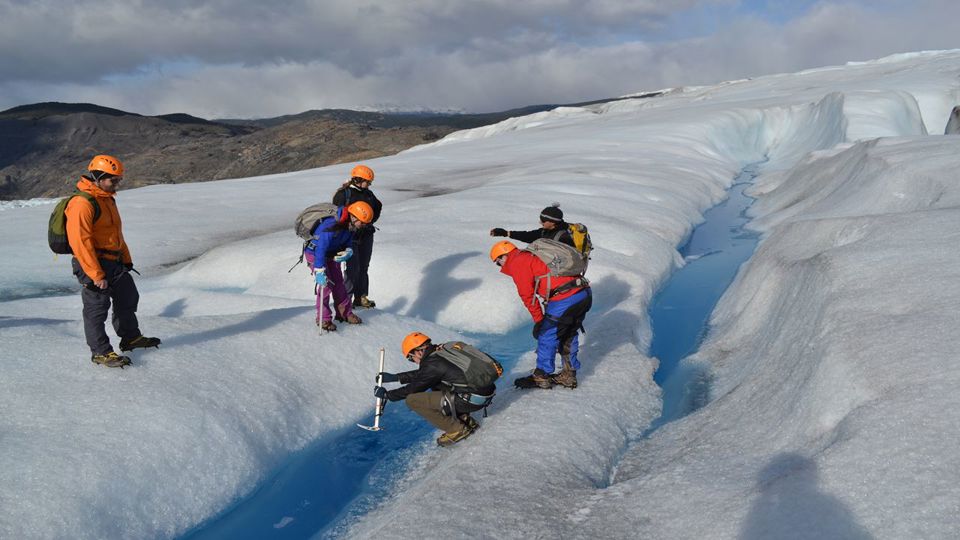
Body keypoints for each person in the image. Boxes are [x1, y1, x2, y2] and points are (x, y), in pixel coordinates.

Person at [66, 155, 160, 368]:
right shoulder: (82, 203)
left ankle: (130, 338)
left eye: (119, 180)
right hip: (93, 263)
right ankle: (100, 352)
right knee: (96, 308)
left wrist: (126, 259)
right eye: (113, 180)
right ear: (98, 177)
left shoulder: (106, 198)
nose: (117, 184)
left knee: (127, 298)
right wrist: (95, 274)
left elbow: (115, 234)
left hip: (114, 261)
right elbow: (80, 243)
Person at [490, 240, 591, 389]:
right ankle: (568, 374)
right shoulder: (531, 255)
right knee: (568, 332)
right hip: (583, 293)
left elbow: (528, 296)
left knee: (546, 335)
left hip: (564, 298)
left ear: (503, 256)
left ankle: (541, 376)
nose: (500, 265)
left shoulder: (518, 262)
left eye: (498, 262)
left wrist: (539, 321)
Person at [374, 332, 496, 447]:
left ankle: (457, 429)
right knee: (438, 384)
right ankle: (464, 419)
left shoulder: (433, 363)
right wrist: (396, 377)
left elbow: (413, 388)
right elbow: (426, 374)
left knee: (412, 400)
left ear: (417, 352)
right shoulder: (441, 352)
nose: (413, 361)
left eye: (411, 358)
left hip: (471, 400)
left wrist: (388, 395)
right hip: (484, 394)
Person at [304, 200, 374, 331]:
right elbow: (320, 248)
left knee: (339, 283)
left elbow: (347, 241)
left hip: (331, 255)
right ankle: (323, 319)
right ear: (354, 217)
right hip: (316, 255)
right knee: (326, 285)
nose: (363, 226)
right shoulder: (331, 224)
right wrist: (319, 270)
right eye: (362, 222)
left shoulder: (350, 227)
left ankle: (345, 313)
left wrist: (348, 250)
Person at [332, 164, 382, 309]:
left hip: (366, 234)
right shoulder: (344, 194)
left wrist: (369, 222)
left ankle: (361, 297)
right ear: (359, 179)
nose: (369, 184)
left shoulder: (368, 193)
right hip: (350, 236)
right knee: (353, 268)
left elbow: (377, 207)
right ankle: (345, 299)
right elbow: (337, 215)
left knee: (363, 267)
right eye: (368, 181)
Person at [489, 203, 575, 248]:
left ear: (552, 222)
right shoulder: (546, 231)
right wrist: (506, 233)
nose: (540, 222)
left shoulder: (564, 237)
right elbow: (528, 236)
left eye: (543, 221)